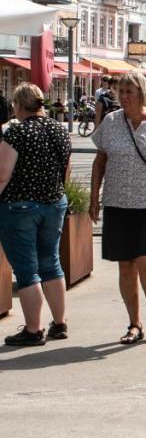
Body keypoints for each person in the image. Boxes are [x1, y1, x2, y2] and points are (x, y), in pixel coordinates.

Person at [89, 70, 146, 345]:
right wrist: (94, 198)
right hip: (118, 203)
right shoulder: (112, 121)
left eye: (130, 92)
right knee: (125, 265)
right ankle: (134, 323)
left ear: (143, 94)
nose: (125, 97)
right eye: (121, 91)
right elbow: (99, 162)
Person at [0, 84, 73, 346]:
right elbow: (66, 171)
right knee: (51, 263)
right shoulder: (59, 131)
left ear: (19, 105)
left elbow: (3, 174)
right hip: (54, 203)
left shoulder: (16, 132)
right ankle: (60, 323)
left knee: (27, 271)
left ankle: (33, 330)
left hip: (20, 206)